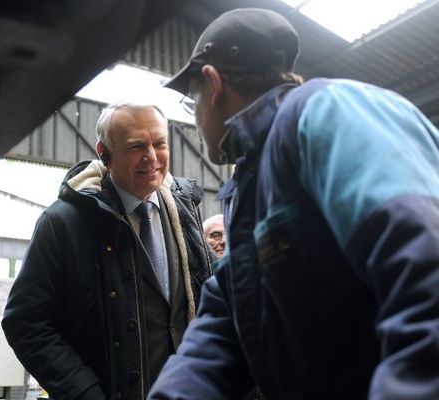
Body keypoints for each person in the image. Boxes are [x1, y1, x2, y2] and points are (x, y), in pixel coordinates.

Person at [148, 7, 439, 400]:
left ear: (212, 83)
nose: (196, 117)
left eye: (192, 102)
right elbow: (226, 318)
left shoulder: (328, 112)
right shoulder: (252, 182)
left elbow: (426, 265)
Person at [2, 100, 212, 400]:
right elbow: (25, 323)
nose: (151, 157)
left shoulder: (185, 212)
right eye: (136, 146)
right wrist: (83, 391)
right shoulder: (64, 223)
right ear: (105, 154)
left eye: (160, 143)